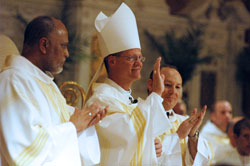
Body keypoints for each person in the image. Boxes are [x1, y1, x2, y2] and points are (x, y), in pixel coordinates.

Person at [0, 16, 107, 166]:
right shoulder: (13, 80)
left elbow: (66, 125)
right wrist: (73, 127)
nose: (67, 54)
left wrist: (86, 120)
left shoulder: (46, 83)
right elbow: (24, 148)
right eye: (63, 46)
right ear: (44, 45)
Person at [86, 3, 171, 165]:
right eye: (132, 58)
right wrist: (156, 95)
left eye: (140, 58)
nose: (139, 63)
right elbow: (125, 135)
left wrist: (153, 147)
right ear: (112, 61)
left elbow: (139, 136)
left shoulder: (129, 100)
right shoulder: (101, 100)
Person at [147, 65, 212, 166]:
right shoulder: (141, 117)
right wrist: (177, 136)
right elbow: (143, 156)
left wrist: (192, 136)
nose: (173, 92)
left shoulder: (184, 121)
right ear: (151, 85)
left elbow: (202, 161)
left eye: (178, 87)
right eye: (168, 85)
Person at [201, 100, 241, 165]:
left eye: (230, 112)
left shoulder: (233, 133)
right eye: (223, 112)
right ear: (213, 116)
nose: (228, 116)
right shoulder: (205, 136)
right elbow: (212, 158)